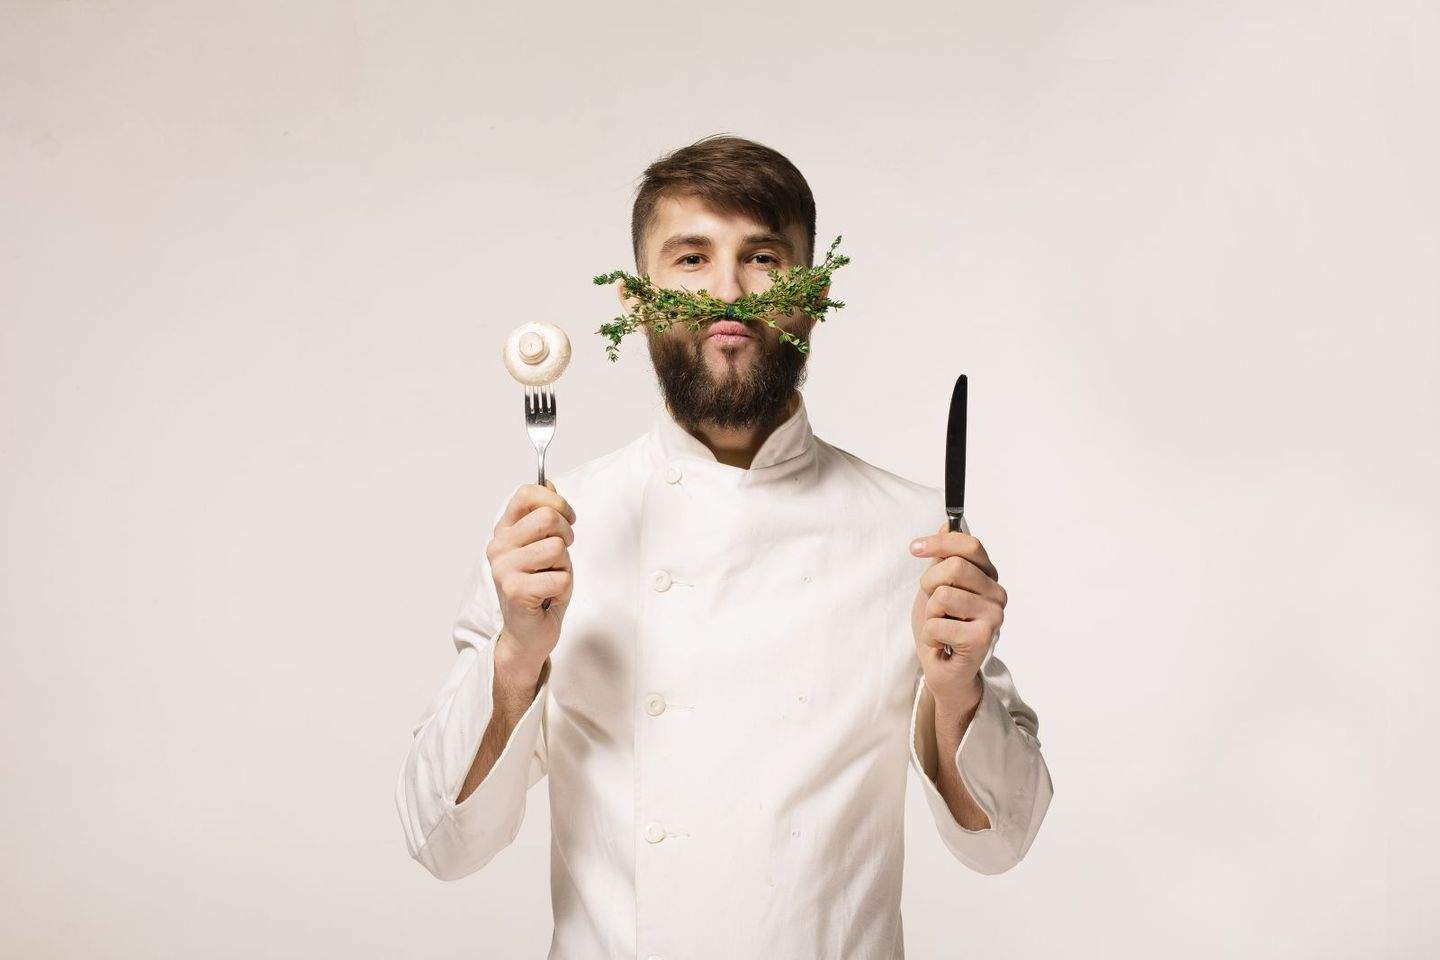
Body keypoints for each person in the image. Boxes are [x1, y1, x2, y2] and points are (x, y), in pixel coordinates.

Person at [395, 134, 1054, 959]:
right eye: (692, 258)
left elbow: (1003, 842)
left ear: (813, 296)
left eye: (764, 258)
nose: (728, 292)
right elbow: (442, 842)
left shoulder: (916, 535)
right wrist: (517, 656)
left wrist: (957, 692)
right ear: (637, 299)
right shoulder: (552, 530)